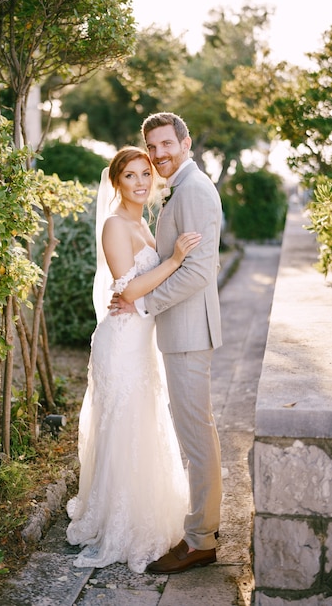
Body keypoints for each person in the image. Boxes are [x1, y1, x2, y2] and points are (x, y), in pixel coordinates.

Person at [66, 146, 201, 574]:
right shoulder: (114, 225)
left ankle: (145, 510)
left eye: (147, 173)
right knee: (124, 426)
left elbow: (139, 288)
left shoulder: (142, 221)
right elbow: (127, 290)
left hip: (139, 341)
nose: (142, 182)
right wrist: (176, 260)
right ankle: (116, 522)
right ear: (117, 182)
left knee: (142, 424)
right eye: (131, 176)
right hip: (120, 342)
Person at [111, 112, 223, 574]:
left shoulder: (194, 190)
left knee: (196, 437)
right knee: (197, 432)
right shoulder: (179, 189)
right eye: (151, 147)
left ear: (185, 142)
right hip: (181, 332)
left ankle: (200, 540)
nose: (158, 155)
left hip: (188, 332)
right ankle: (206, 524)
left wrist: (144, 303)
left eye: (164, 145)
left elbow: (198, 270)